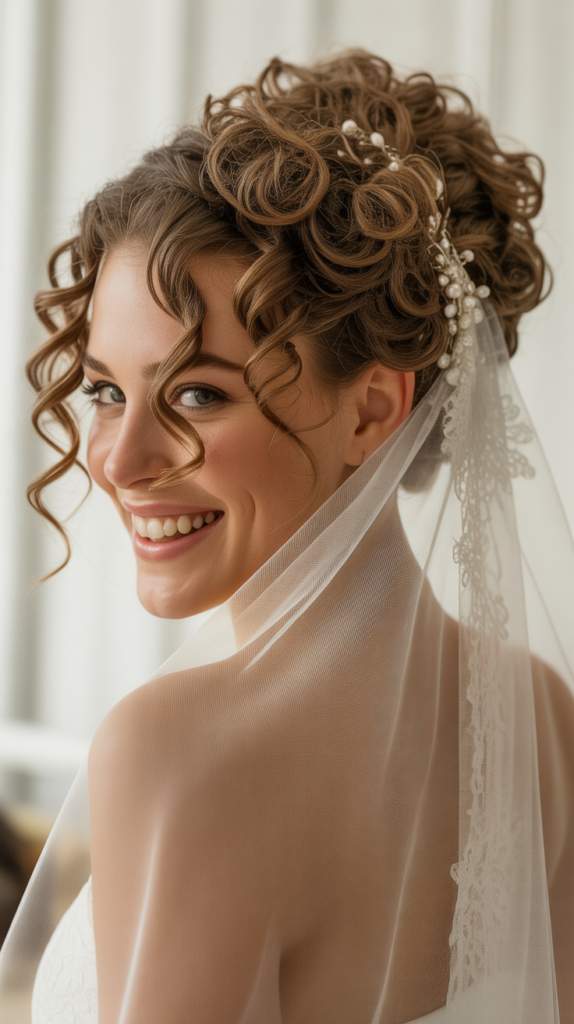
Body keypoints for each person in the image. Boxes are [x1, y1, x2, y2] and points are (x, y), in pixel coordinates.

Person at [0, 49, 572, 1024]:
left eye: (196, 394)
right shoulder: (539, 719)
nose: (121, 460)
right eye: (104, 389)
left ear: (372, 410)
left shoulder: (176, 751)